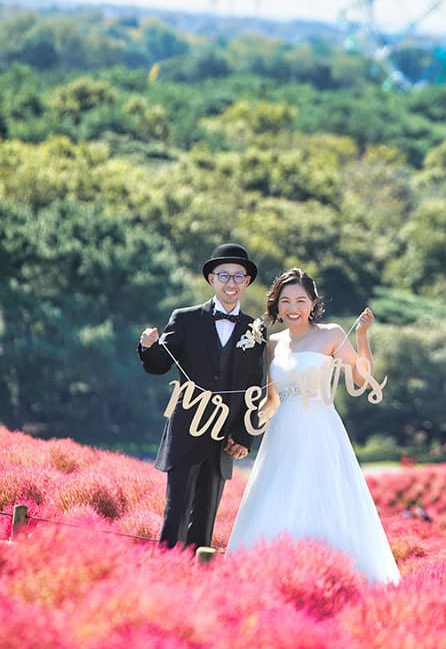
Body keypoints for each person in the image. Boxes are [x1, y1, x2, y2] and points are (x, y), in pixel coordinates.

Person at [225, 267, 400, 584]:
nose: (293, 308)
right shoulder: (271, 344)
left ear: (313, 303)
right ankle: (276, 574)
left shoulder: (331, 333)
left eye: (300, 300)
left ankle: (331, 574)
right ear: (276, 304)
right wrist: (241, 432)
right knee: (278, 498)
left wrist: (362, 335)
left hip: (320, 429)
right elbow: (271, 400)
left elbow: (362, 378)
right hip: (282, 433)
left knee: (323, 496)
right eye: (285, 301)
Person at [138, 243, 266, 550]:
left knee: (205, 518)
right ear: (212, 279)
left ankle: (199, 573)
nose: (231, 282)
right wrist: (147, 347)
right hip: (187, 430)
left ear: (247, 281)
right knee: (176, 513)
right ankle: (166, 569)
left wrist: (244, 435)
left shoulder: (256, 330)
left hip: (224, 437)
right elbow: (159, 364)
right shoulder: (185, 319)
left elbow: (255, 388)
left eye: (238, 276)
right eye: (224, 275)